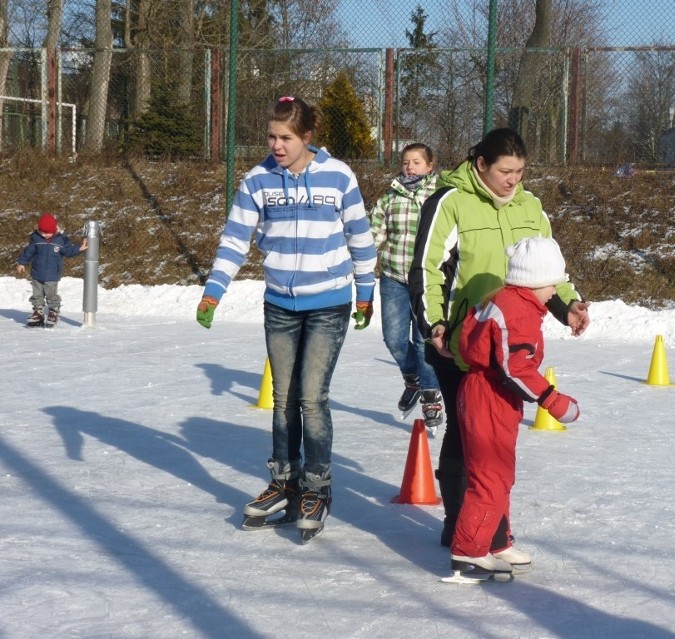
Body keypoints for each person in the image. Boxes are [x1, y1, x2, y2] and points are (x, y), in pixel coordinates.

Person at [196, 96, 377, 542]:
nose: (277, 145)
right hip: (279, 303)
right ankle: (284, 481)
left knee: (311, 397)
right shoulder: (258, 180)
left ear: (306, 137)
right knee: (282, 397)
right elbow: (236, 238)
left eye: (286, 138)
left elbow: (360, 234)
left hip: (329, 300)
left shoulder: (338, 176)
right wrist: (214, 290)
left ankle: (316, 485)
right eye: (272, 137)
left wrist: (366, 291)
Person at [409, 127, 590, 555]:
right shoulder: (450, 202)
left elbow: (548, 270)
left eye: (520, 171)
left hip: (507, 343)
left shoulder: (531, 206)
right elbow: (426, 269)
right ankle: (461, 528)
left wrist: (569, 307)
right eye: (505, 170)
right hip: (460, 342)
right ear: (481, 166)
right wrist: (435, 325)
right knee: (464, 433)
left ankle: (492, 532)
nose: (513, 179)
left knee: (496, 443)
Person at [449, 236, 580, 577]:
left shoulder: (506, 300)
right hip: (489, 397)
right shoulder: (516, 310)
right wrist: (554, 401)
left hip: (490, 395)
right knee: (491, 475)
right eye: (552, 283)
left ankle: (496, 540)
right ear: (534, 280)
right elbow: (516, 367)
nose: (554, 292)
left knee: (500, 473)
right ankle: (469, 550)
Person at [368, 143, 443, 431]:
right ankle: (412, 378)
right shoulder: (390, 196)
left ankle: (430, 394)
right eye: (406, 162)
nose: (410, 167)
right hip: (393, 277)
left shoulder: (439, 195)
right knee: (394, 339)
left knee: (426, 342)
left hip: (427, 280)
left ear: (429, 166)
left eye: (416, 162)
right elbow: (374, 233)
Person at [15, 212, 88, 327]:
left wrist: (79, 248)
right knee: (37, 295)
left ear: (54, 229)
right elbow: (28, 251)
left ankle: (53, 312)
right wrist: (21, 262)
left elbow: (68, 251)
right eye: (43, 232)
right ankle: (38, 313)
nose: (45, 235)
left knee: (51, 295)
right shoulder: (36, 238)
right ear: (39, 230)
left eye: (48, 232)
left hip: (52, 274)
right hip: (37, 273)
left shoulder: (60, 239)